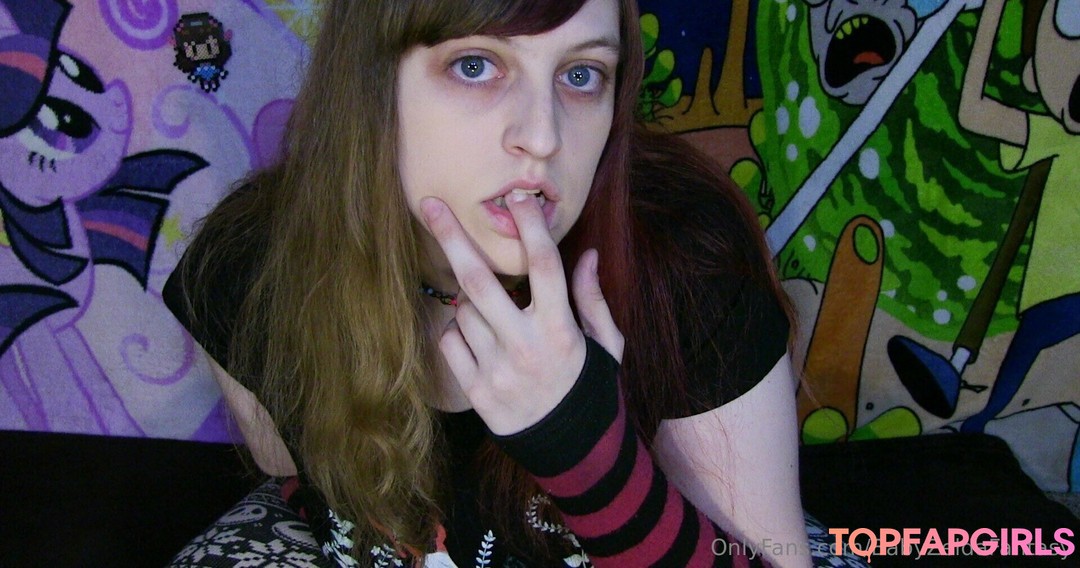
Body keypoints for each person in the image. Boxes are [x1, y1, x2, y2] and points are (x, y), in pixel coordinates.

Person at [165, 0, 847, 566]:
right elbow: (283, 465)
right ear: (369, 87)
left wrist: (585, 448)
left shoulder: (686, 260)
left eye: (581, 74)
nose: (543, 137)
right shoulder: (252, 268)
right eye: (475, 65)